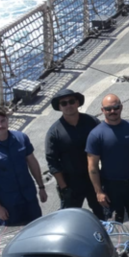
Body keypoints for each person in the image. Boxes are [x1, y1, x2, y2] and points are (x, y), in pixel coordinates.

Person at [0, 106, 47, 226]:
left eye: (3, 121)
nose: (0, 126)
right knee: (13, 240)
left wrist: (41, 187)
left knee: (38, 231)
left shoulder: (21, 138)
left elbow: (32, 162)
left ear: (7, 120)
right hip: (9, 205)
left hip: (29, 198)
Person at [86, 94, 129, 227]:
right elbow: (92, 167)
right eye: (108, 109)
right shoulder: (96, 135)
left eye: (115, 107)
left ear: (121, 107)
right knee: (114, 224)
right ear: (102, 110)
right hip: (111, 187)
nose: (112, 111)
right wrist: (99, 192)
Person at [45, 88, 103, 219]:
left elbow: (104, 148)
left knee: (102, 213)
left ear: (77, 103)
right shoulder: (54, 132)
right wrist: (64, 187)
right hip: (71, 182)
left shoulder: (92, 122)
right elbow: (52, 161)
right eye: (64, 103)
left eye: (71, 101)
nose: (68, 105)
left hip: (94, 178)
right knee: (69, 219)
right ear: (59, 107)